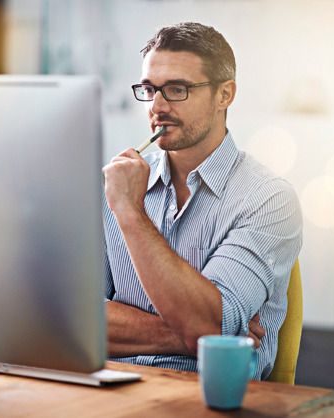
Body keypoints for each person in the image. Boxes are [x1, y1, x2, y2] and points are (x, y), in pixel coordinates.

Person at [102, 22, 302, 380]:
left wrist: (131, 212)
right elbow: (71, 320)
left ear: (224, 95)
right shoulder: (115, 185)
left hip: (211, 398)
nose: (157, 106)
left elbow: (207, 323)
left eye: (177, 89)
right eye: (150, 90)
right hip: (111, 390)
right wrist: (190, 337)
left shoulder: (270, 199)